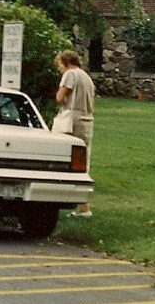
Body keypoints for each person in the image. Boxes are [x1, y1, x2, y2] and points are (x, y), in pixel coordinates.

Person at [55, 49, 95, 216]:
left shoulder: (70, 74)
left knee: (62, 159)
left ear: (66, 62)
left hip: (72, 121)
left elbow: (60, 97)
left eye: (60, 65)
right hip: (87, 121)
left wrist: (60, 96)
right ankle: (83, 205)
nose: (60, 69)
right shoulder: (87, 77)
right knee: (82, 163)